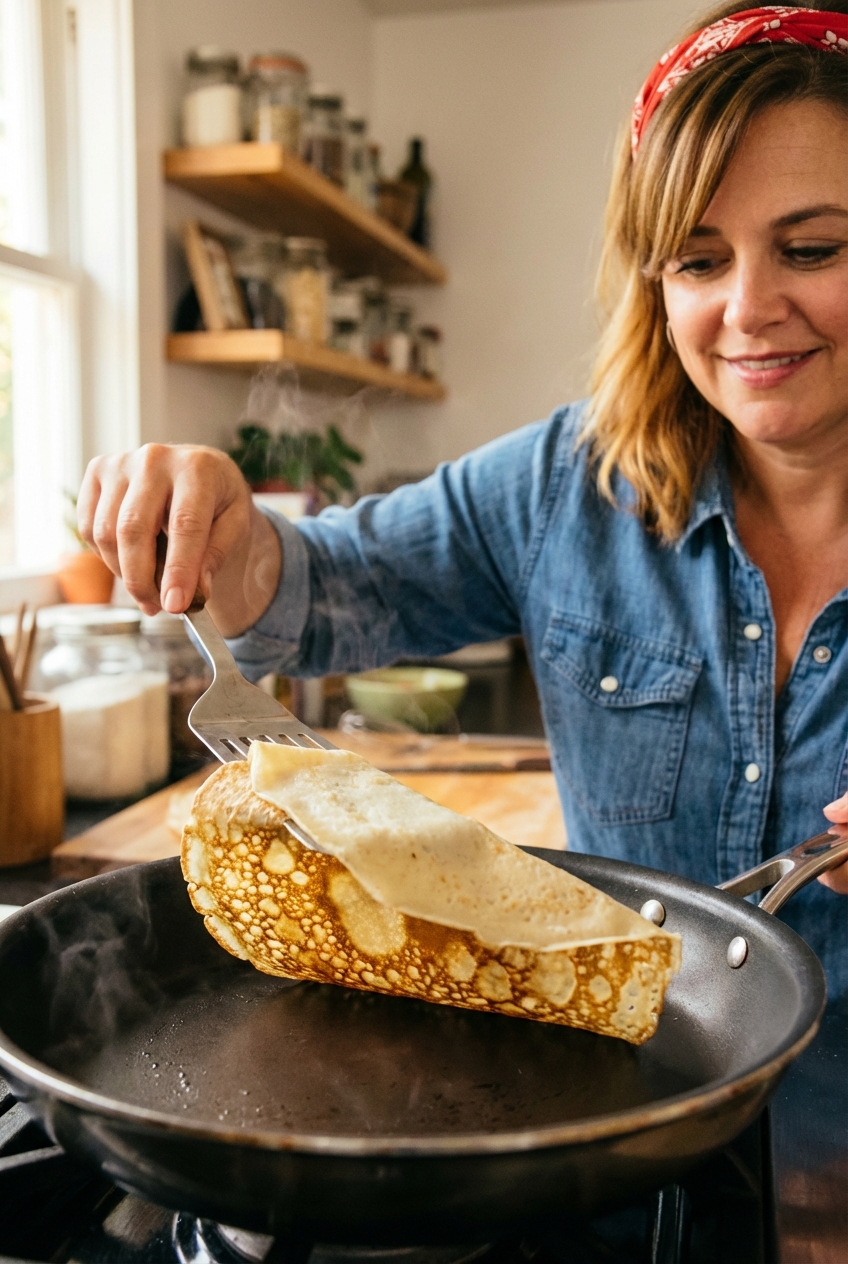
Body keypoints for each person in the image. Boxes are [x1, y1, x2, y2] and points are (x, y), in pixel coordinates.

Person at [79, 2, 848, 995]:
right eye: (697, 261)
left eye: (811, 248)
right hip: (630, 1104)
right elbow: (318, 587)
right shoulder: (563, 487)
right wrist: (225, 534)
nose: (744, 310)